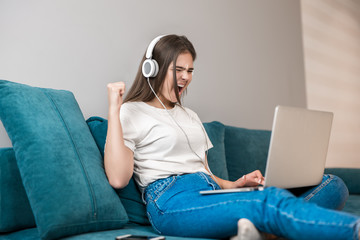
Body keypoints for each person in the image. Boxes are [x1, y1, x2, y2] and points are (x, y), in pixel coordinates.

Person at [104, 34, 360, 240]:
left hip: (211, 192)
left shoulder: (190, 116)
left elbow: (204, 172)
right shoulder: (131, 111)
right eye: (178, 69)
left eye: (190, 70)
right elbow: (118, 178)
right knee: (268, 201)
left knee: (331, 184)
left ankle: (260, 233)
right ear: (153, 69)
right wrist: (114, 108)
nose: (185, 77)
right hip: (170, 201)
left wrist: (236, 184)